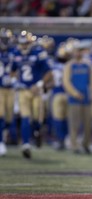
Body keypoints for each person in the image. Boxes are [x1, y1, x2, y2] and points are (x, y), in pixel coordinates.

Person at [11, 30, 53, 159]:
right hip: (24, 90)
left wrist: (40, 84)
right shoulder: (16, 53)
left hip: (37, 91)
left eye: (26, 43)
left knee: (36, 118)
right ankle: (26, 145)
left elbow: (49, 73)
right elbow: (12, 71)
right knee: (25, 117)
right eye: (22, 43)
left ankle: (37, 132)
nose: (23, 46)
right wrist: (15, 82)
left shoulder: (38, 53)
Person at [63, 39, 92, 154]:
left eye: (80, 51)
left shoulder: (87, 65)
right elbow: (66, 82)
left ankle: (86, 144)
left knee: (88, 124)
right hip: (74, 99)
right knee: (74, 124)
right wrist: (75, 93)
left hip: (86, 98)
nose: (78, 53)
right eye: (77, 51)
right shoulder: (69, 65)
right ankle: (74, 145)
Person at [0, 28, 14, 156]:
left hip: (11, 88)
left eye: (6, 39)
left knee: (9, 116)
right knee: (0, 114)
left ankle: (4, 137)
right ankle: (0, 142)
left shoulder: (14, 52)